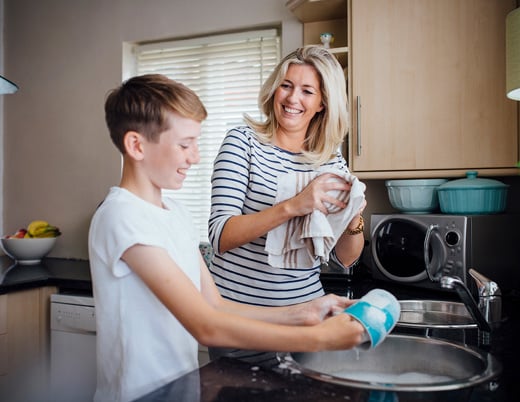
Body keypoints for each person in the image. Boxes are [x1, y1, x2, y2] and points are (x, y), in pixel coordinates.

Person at [88, 74, 364, 402]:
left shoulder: (173, 212)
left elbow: (214, 305)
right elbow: (206, 326)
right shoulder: (122, 216)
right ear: (136, 145)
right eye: (184, 144)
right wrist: (320, 340)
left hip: (180, 390)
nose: (195, 157)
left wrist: (305, 313)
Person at [208, 45, 366, 365]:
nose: (293, 99)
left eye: (307, 91)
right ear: (274, 88)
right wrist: (294, 205)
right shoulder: (243, 143)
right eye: (286, 85)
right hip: (242, 325)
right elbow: (220, 235)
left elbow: (345, 258)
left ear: (322, 103)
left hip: (308, 325)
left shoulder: (330, 159)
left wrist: (353, 219)